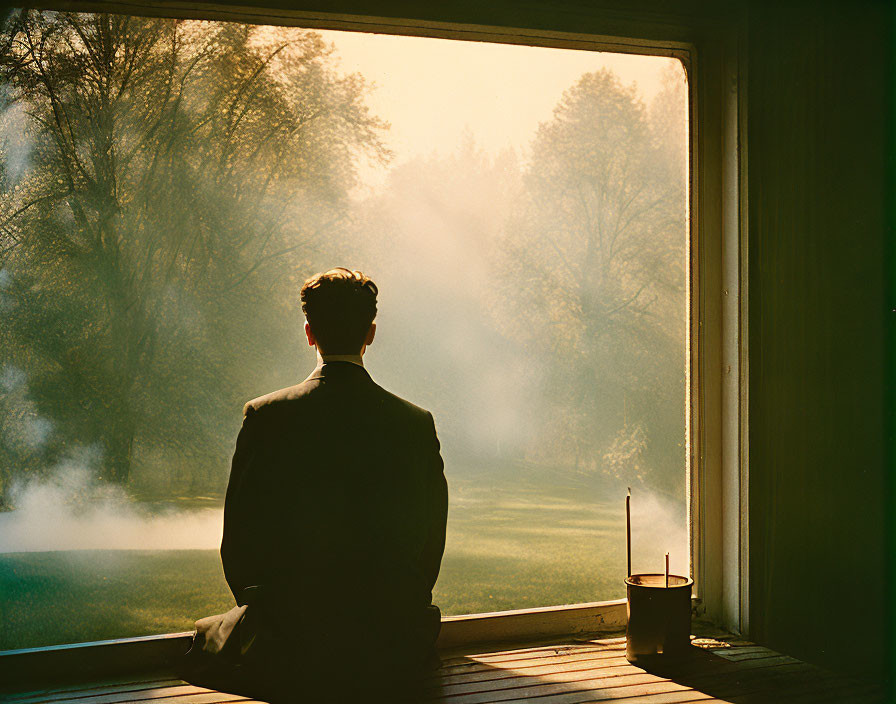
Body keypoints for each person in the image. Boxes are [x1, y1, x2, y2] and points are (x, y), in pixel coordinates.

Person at [218, 267, 448, 701]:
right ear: (371, 333)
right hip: (389, 641)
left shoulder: (266, 417)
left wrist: (268, 615)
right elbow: (430, 538)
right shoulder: (414, 424)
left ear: (309, 332)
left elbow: (239, 540)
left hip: (290, 641)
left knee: (206, 640)